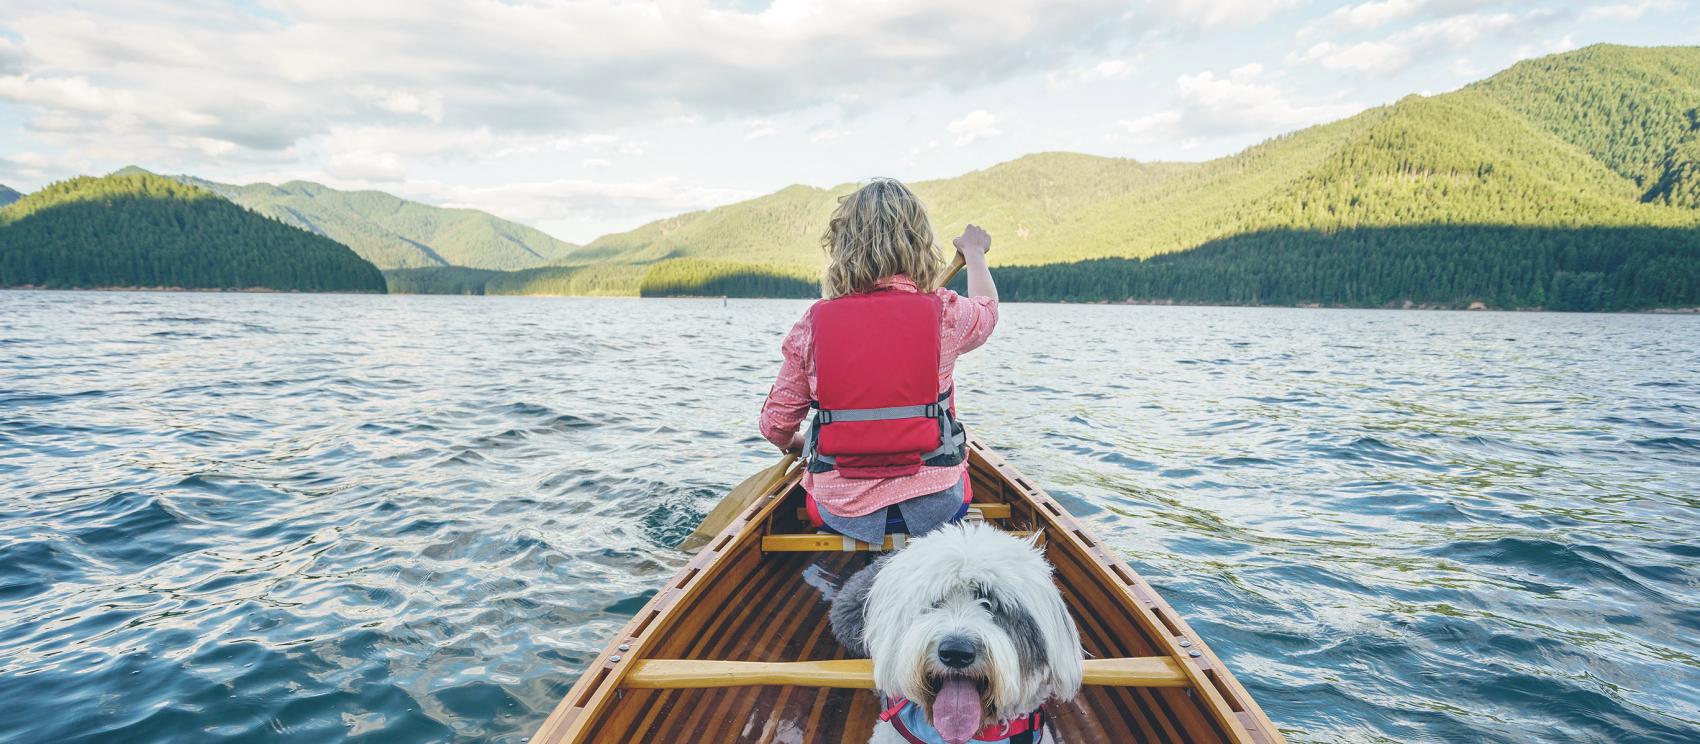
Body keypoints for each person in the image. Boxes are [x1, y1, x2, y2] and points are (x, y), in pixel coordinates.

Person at [759, 178, 998, 545]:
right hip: (937, 505)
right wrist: (975, 253)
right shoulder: (946, 313)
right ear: (918, 242)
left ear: (843, 247)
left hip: (840, 512)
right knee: (958, 481)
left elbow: (775, 426)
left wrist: (797, 444)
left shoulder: (812, 325)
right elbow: (987, 312)